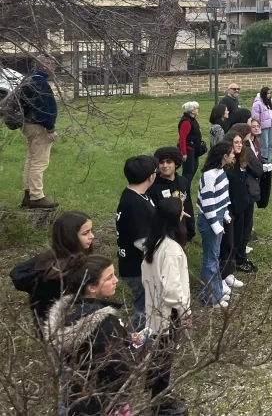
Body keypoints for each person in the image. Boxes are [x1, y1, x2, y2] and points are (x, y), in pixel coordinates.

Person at [43, 255, 130, 416]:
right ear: (91, 287)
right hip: (105, 401)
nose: (116, 280)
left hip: (75, 397)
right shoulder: (105, 323)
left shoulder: (66, 315)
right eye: (110, 277)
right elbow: (118, 367)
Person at [141, 197, 191, 416]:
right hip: (168, 313)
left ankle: (157, 393)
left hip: (154, 308)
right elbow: (172, 289)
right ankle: (160, 403)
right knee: (164, 358)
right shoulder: (170, 249)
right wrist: (185, 311)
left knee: (159, 355)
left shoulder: (154, 241)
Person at [10, 211, 93, 328]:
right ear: (70, 237)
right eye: (86, 233)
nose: (92, 236)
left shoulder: (49, 259)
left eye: (91, 231)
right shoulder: (59, 274)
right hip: (61, 330)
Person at [116, 154, 157, 332]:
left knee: (146, 302)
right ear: (151, 176)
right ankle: (134, 340)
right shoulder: (134, 204)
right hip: (136, 267)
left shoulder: (136, 195)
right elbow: (141, 241)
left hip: (135, 265)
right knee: (143, 306)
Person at [197, 142, 234, 308]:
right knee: (210, 260)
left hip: (218, 219)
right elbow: (208, 203)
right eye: (231, 153)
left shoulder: (221, 172)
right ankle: (210, 297)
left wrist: (225, 215)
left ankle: (217, 291)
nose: (233, 155)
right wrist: (216, 225)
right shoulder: (209, 175)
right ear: (224, 156)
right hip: (209, 221)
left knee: (214, 257)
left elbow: (223, 198)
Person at [20, 53, 59, 209]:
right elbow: (42, 107)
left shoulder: (29, 78)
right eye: (52, 63)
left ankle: (28, 194)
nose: (54, 66)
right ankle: (37, 197)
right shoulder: (39, 82)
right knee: (39, 162)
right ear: (45, 64)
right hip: (38, 126)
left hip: (27, 124)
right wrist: (49, 127)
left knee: (31, 160)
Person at [222, 129, 258, 277]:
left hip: (244, 202)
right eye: (235, 142)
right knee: (234, 237)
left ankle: (241, 258)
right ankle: (232, 264)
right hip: (232, 205)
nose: (239, 145)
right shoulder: (227, 164)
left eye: (240, 142)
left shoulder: (241, 159)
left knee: (243, 232)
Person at [150, 147, 196, 240]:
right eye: (161, 162)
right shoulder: (153, 186)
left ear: (176, 164)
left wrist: (190, 229)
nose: (165, 165)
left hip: (181, 231)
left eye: (169, 161)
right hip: (162, 235)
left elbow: (188, 206)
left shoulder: (183, 182)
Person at [177, 101, 206, 182]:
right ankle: (184, 189)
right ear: (192, 111)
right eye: (197, 108)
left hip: (194, 149)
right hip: (188, 149)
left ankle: (186, 188)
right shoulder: (186, 122)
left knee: (193, 169)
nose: (198, 110)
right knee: (188, 172)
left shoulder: (192, 119)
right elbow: (182, 138)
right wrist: (184, 153)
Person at [251, 87, 272, 166]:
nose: (269, 95)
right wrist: (257, 129)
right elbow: (255, 117)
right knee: (264, 145)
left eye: (270, 93)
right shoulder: (257, 103)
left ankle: (269, 160)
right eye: (267, 93)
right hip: (263, 127)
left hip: (270, 126)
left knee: (271, 144)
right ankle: (263, 161)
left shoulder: (271, 102)